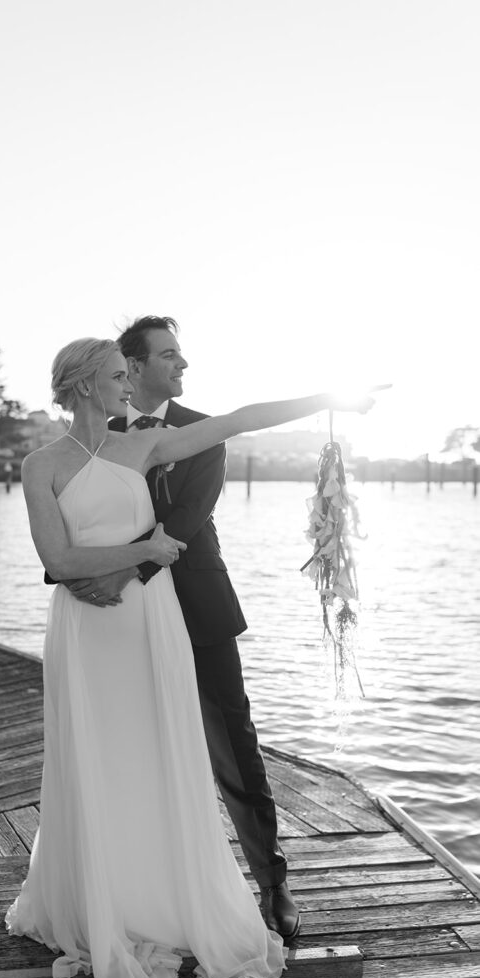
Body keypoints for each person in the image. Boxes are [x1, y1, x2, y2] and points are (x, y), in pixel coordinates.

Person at [5, 336, 374, 978]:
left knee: (156, 754)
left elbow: (238, 419)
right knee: (95, 755)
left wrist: (325, 400)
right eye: (119, 375)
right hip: (84, 631)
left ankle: (171, 895)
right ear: (87, 385)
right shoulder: (40, 465)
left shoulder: (142, 448)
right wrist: (141, 548)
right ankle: (100, 899)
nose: (129, 385)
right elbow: (57, 562)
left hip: (152, 621)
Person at [55, 316, 299, 938]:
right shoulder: (91, 438)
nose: (182, 365)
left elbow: (189, 516)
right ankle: (138, 893)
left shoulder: (197, 434)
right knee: (132, 746)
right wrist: (92, 578)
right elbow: (74, 527)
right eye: (168, 355)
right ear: (130, 368)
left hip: (195, 602)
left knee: (234, 747)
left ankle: (273, 884)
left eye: (181, 354)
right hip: (121, 619)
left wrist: (122, 571)